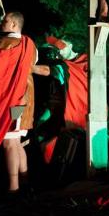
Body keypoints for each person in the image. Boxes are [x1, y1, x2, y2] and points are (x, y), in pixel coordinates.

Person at [0, 5, 49, 193]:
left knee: (8, 142)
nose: (1, 23)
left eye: (4, 20)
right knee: (15, 141)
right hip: (25, 100)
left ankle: (13, 188)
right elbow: (31, 65)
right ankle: (24, 182)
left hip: (10, 101)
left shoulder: (1, 45)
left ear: (13, 24)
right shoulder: (30, 44)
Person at [36, 36, 88, 168]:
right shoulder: (64, 64)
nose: (60, 50)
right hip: (62, 105)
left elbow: (47, 70)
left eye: (61, 45)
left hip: (78, 108)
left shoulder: (84, 61)